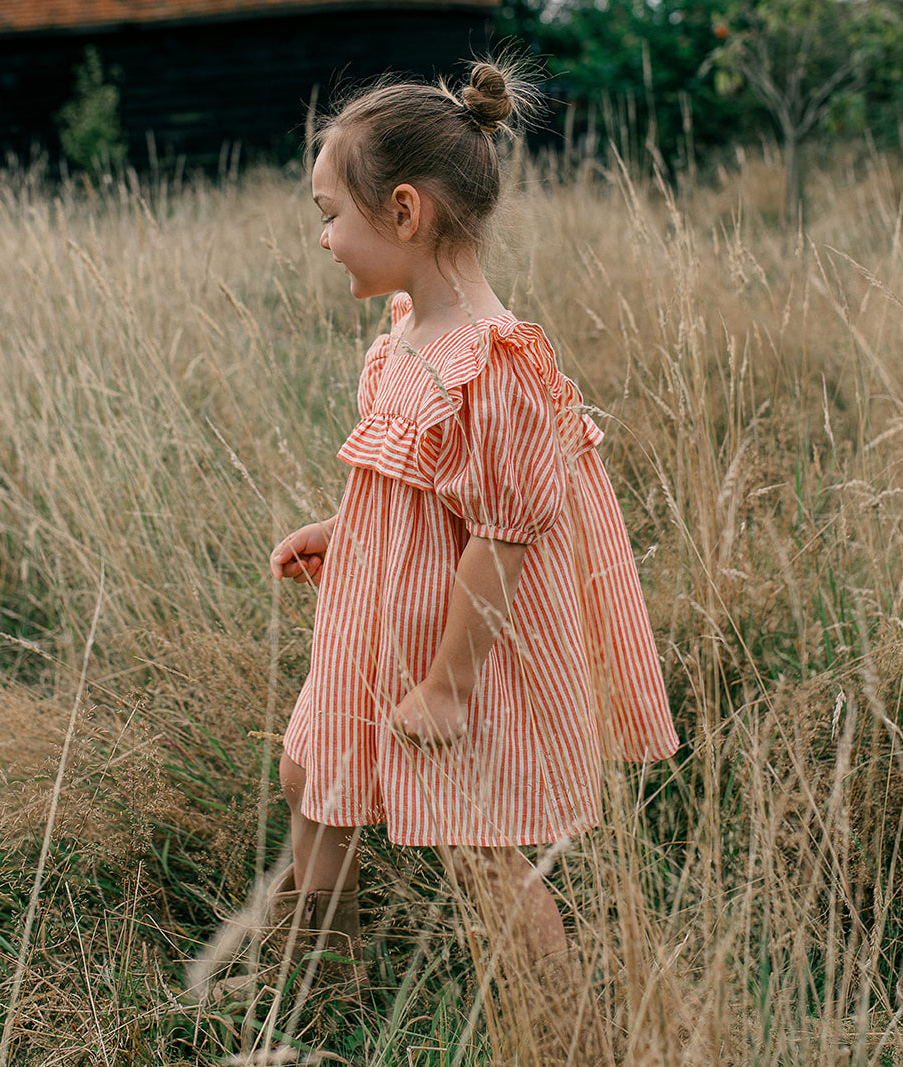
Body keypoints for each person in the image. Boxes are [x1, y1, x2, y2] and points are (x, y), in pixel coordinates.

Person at [263, 59, 680, 1061]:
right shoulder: (403, 337)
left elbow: (504, 533)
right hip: (379, 621)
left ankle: (569, 1034)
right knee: (307, 766)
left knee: (478, 849)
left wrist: (450, 685)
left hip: (458, 651)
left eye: (330, 214)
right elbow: (412, 486)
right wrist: (344, 529)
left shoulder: (492, 367)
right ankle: (318, 973)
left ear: (403, 211)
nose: (322, 236)